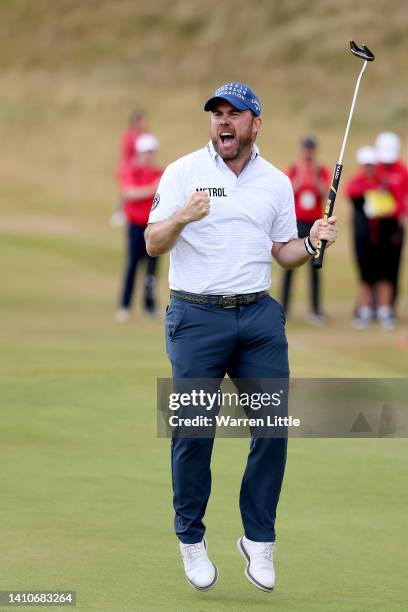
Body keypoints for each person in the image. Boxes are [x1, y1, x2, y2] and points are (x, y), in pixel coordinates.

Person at [145, 82, 337, 592]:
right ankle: (190, 538)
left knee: (273, 428)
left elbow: (284, 251)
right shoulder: (183, 171)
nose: (224, 122)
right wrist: (183, 215)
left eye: (235, 114)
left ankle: (258, 538)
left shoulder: (275, 182)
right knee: (193, 433)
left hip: (257, 319)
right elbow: (151, 241)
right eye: (217, 114)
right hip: (195, 317)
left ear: (256, 123)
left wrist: (311, 241)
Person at [281, 137, 330, 324]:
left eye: (311, 149)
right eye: (306, 149)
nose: (308, 152)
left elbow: (324, 192)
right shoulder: (294, 169)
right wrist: (301, 178)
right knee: (289, 266)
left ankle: (315, 310)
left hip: (314, 223)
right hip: (296, 222)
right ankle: (284, 309)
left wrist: (314, 177)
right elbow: (288, 192)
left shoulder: (320, 169)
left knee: (315, 267)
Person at [116, 134, 162, 322]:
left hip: (155, 226)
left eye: (151, 152)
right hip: (135, 227)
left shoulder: (159, 173)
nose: (148, 156)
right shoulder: (131, 172)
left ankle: (149, 307)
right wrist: (152, 189)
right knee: (133, 266)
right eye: (145, 153)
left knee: (152, 270)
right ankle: (124, 306)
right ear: (139, 153)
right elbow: (129, 193)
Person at [345, 146, 383, 328]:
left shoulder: (380, 182)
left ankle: (376, 308)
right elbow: (351, 193)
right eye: (366, 165)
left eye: (371, 165)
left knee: (379, 273)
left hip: (380, 236)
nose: (369, 168)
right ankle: (364, 310)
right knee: (365, 275)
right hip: (362, 235)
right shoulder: (357, 183)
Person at [374, 132, 408, 315]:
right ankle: (371, 305)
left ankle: (389, 306)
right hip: (375, 225)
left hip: (395, 226)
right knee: (373, 266)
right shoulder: (374, 168)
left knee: (392, 267)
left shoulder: (402, 170)